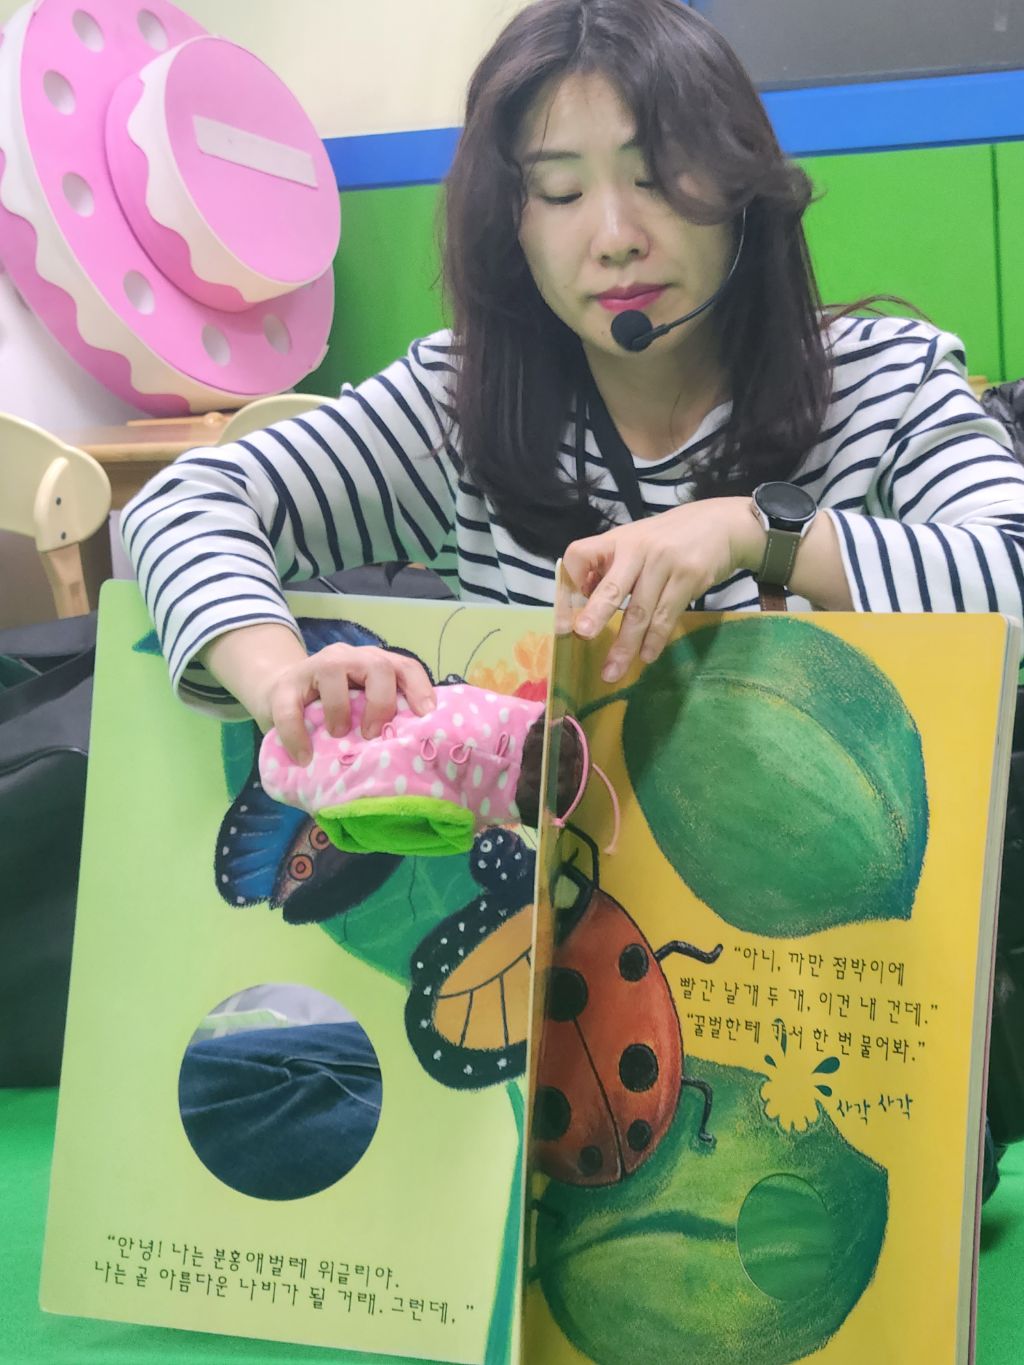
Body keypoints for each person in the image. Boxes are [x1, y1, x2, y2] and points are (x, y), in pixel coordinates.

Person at [123, 0, 1024, 767]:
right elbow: (181, 505)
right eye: (560, 193)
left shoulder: (885, 382)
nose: (616, 236)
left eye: (657, 178)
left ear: (740, 192)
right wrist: (282, 679)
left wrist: (755, 533)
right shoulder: (459, 400)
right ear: (510, 226)